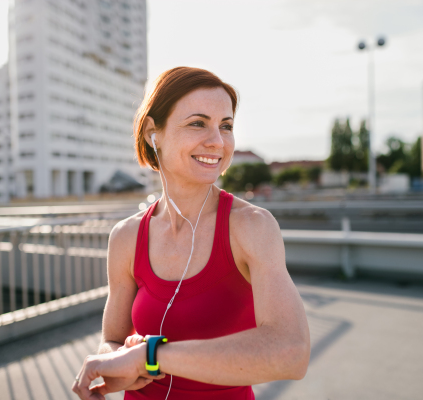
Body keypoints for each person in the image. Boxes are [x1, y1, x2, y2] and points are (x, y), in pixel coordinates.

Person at [72, 67, 310, 400]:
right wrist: (115, 361)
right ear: (153, 133)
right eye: (198, 123)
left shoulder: (252, 226)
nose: (217, 141)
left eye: (225, 126)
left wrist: (150, 356)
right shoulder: (126, 237)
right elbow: (111, 339)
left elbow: (291, 353)